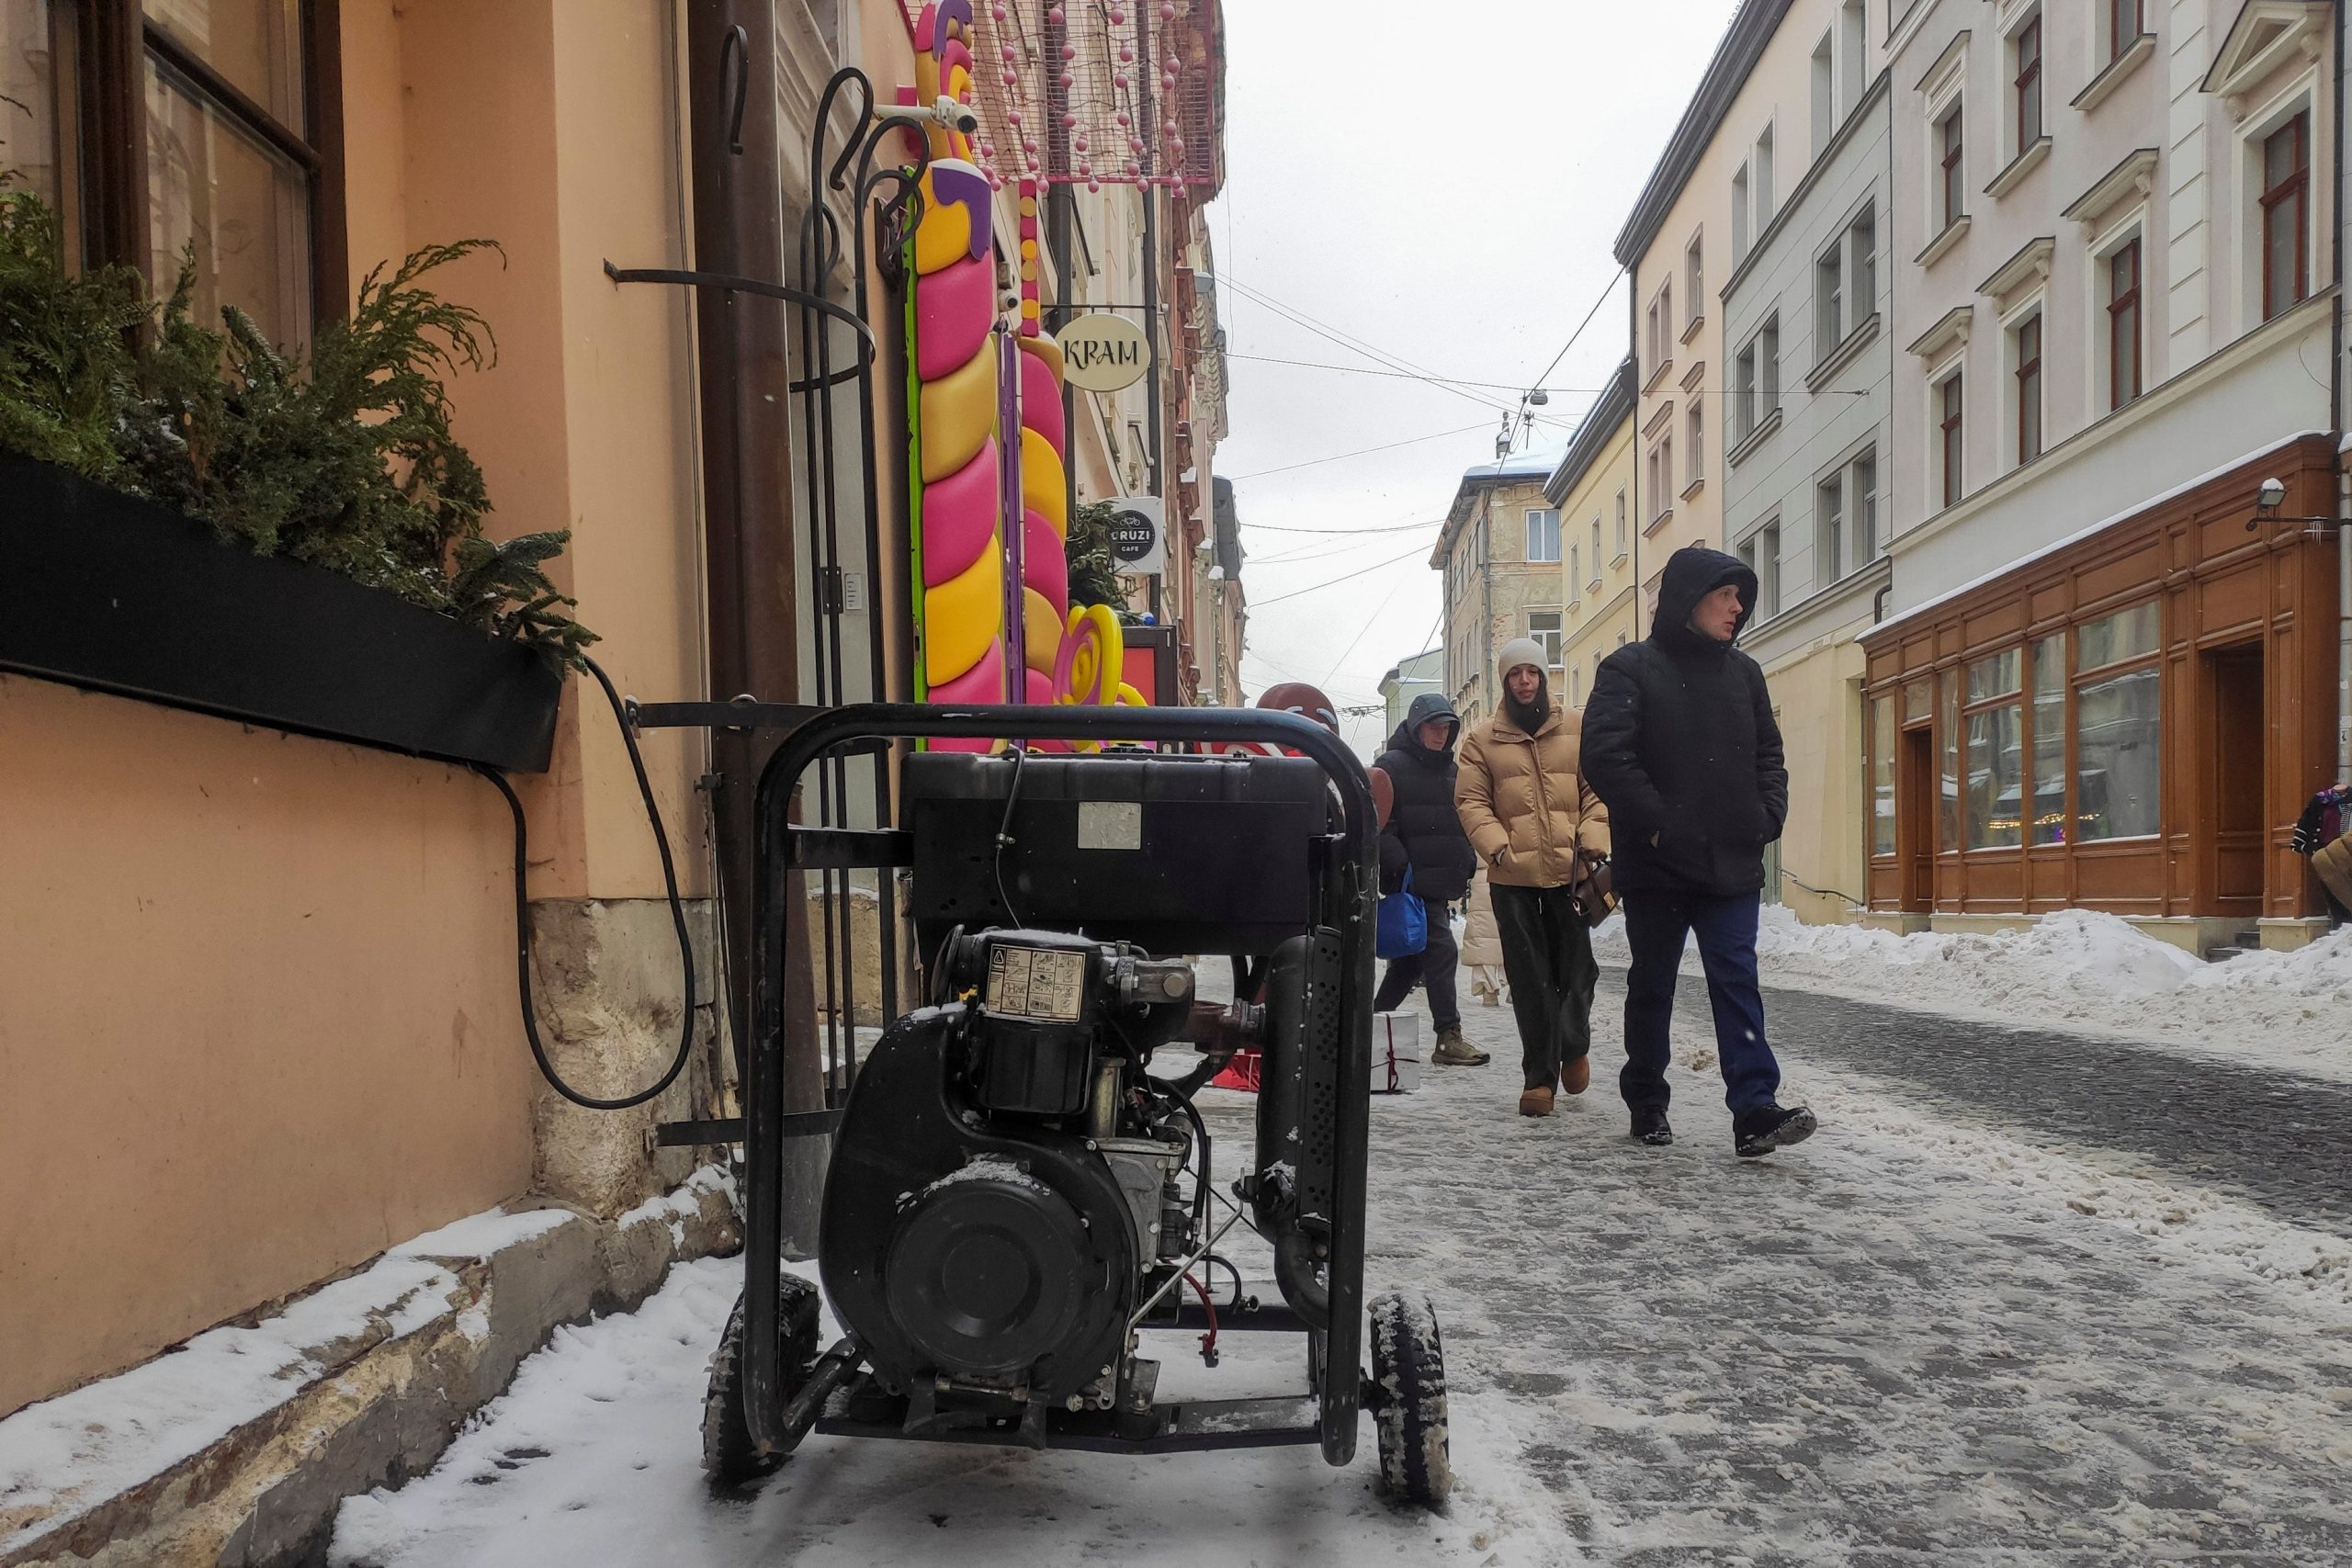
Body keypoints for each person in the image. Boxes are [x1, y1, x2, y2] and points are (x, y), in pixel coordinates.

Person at [1580, 546, 1815, 1157]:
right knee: (1653, 983)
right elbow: (1606, 754)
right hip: (1659, 865)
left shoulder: (1745, 674)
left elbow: (1771, 755)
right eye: (1726, 595)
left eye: (1742, 597)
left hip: (1733, 862)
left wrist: (1769, 815)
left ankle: (1755, 1109)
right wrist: (1657, 824)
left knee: (1737, 979)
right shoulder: (1630, 668)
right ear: (1691, 597)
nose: (1739, 608)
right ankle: (1647, 1098)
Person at [1453, 638, 1611, 1118]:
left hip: (1571, 874)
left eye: (1532, 673)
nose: (1524, 681)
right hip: (1512, 876)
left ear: (1544, 677)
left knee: (1577, 970)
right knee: (1530, 979)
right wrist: (1497, 845)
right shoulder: (1482, 740)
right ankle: (1538, 1079)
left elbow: (1597, 793)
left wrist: (1593, 837)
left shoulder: (1579, 729)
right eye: (1514, 674)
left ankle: (1574, 1044)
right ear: (1504, 682)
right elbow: (1471, 801)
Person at [1369, 694, 1487, 1066]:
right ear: (1417, 728)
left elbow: (1463, 821)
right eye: (1433, 727)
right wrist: (1402, 866)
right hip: (1411, 883)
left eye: (1446, 728)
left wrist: (1466, 858)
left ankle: (1365, 1023)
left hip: (1438, 880)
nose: (1440, 735)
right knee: (1442, 951)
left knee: (1411, 961)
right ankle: (1448, 1037)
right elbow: (1379, 825)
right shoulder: (1390, 767)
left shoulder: (1453, 772)